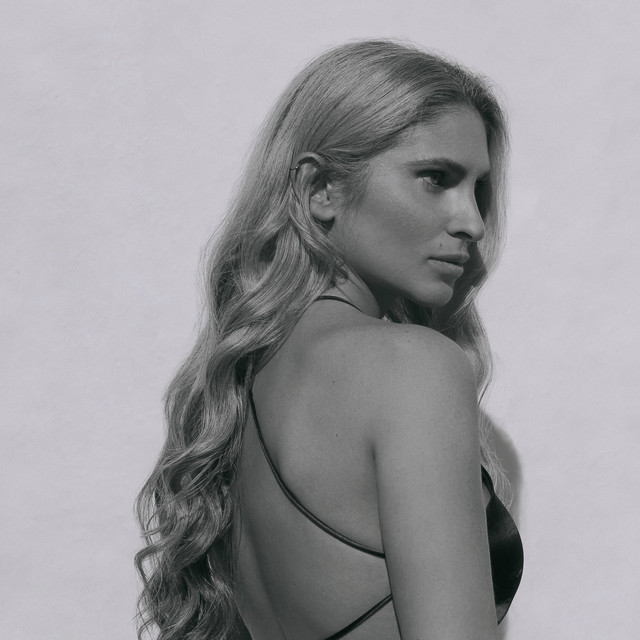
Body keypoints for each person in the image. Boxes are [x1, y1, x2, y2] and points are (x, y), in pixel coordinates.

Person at [135, 39, 523, 640]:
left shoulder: (238, 386)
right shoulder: (415, 369)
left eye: (479, 189)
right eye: (435, 178)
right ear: (321, 189)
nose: (472, 221)